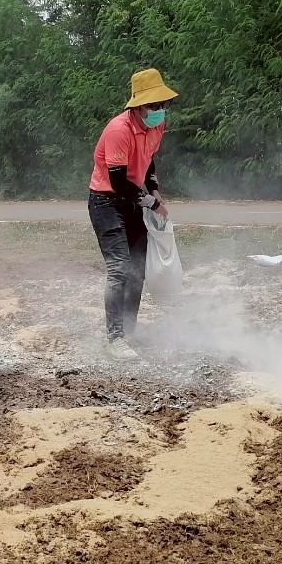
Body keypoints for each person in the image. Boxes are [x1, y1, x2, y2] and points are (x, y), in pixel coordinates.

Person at [88, 68, 177, 360]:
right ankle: (114, 338)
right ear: (138, 106)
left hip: (133, 200)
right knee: (120, 268)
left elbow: (148, 162)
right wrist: (151, 203)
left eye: (162, 105)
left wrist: (155, 190)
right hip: (106, 201)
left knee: (137, 269)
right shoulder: (118, 130)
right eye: (154, 106)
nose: (159, 111)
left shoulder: (156, 126)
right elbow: (118, 183)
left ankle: (129, 331)